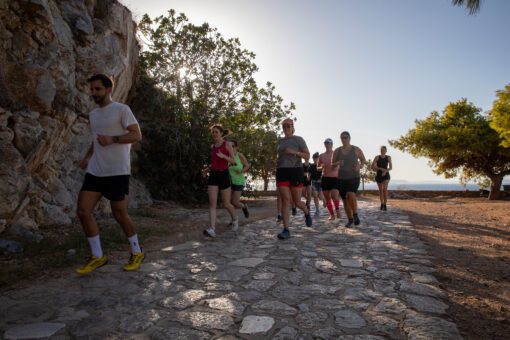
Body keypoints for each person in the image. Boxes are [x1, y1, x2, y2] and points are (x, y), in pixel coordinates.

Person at [76, 74, 144, 275]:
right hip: (96, 169)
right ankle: (98, 256)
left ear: (108, 89)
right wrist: (88, 157)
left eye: (97, 89)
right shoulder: (94, 114)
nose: (93, 93)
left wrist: (113, 139)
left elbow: (136, 135)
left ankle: (136, 251)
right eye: (92, 89)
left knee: (119, 213)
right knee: (83, 211)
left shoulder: (122, 110)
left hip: (117, 171)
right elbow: (97, 140)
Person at [276, 118, 313, 239]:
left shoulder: (299, 139)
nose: (286, 128)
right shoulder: (280, 141)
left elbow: (307, 156)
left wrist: (294, 152)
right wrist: (276, 162)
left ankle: (306, 212)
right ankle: (286, 229)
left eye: (288, 126)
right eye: (284, 126)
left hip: (295, 171)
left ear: (292, 127)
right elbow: (279, 156)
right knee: (286, 200)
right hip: (282, 171)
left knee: (296, 202)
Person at [202, 125, 238, 237]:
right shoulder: (213, 146)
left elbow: (233, 161)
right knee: (212, 204)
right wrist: (206, 169)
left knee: (226, 204)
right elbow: (214, 162)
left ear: (221, 133)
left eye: (216, 132)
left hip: (224, 174)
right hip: (213, 174)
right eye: (212, 132)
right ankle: (212, 229)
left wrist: (223, 156)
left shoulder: (227, 144)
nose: (214, 134)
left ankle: (235, 218)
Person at [332, 131, 367, 227]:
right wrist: (338, 163)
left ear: (349, 138)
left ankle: (355, 215)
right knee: (345, 200)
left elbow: (363, 160)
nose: (344, 139)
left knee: (351, 194)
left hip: (354, 177)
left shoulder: (356, 149)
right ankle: (350, 219)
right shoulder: (337, 151)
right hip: (341, 178)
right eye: (342, 138)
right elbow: (332, 164)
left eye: (345, 137)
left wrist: (360, 165)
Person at [318, 138, 341, 221]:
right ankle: (332, 215)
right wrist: (321, 167)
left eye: (328, 143)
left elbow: (340, 164)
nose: (327, 144)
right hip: (325, 178)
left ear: (331, 144)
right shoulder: (321, 155)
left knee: (334, 195)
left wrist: (337, 165)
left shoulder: (336, 154)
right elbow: (318, 167)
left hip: (335, 178)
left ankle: (337, 209)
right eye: (325, 143)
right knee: (327, 197)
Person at [228, 138, 251, 221]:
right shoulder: (226, 156)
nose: (231, 147)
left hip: (238, 181)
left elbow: (247, 165)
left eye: (233, 146)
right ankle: (233, 219)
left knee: (235, 202)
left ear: (236, 147)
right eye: (229, 146)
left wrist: (241, 171)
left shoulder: (239, 155)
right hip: (229, 182)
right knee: (228, 203)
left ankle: (244, 206)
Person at [372, 146, 392, 211]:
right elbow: (372, 166)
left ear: (386, 151)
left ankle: (385, 204)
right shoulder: (377, 157)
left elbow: (390, 167)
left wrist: (385, 170)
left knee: (385, 189)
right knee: (380, 190)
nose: (382, 151)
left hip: (386, 175)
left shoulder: (388, 157)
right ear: (380, 150)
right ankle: (382, 203)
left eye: (384, 150)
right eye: (381, 150)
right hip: (379, 175)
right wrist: (380, 168)